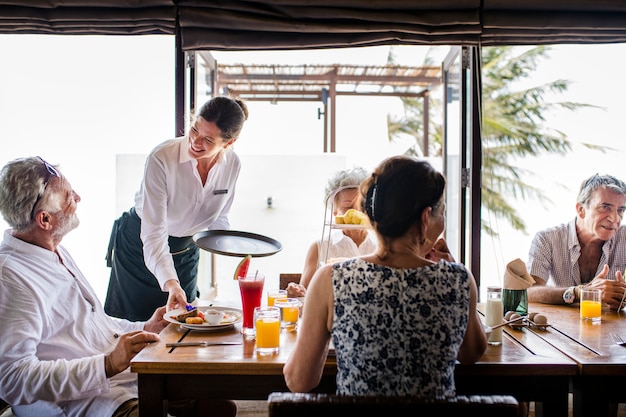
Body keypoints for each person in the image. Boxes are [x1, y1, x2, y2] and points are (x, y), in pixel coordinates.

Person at [0, 156, 237, 417]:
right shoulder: (10, 278)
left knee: (219, 405)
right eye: (68, 196)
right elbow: (12, 379)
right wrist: (107, 364)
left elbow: (93, 325)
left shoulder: (54, 251)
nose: (78, 198)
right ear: (44, 220)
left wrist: (145, 327)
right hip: (82, 401)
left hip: (123, 379)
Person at [283, 155, 487, 397]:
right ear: (425, 218)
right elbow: (472, 354)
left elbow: (299, 381)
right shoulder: (457, 280)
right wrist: (454, 273)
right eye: (441, 211)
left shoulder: (331, 278)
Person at [104, 96, 249, 321]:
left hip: (186, 252)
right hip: (139, 249)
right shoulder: (162, 158)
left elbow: (219, 219)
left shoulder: (233, 165)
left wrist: (238, 247)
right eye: (194, 130)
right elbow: (153, 235)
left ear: (228, 144)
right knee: (135, 328)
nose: (195, 142)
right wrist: (171, 283)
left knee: (185, 322)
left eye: (208, 140)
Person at [527, 173, 626, 310]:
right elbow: (529, 292)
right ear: (581, 210)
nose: (615, 219)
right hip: (558, 327)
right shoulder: (547, 239)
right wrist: (580, 292)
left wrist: (622, 296)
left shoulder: (624, 237)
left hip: (609, 328)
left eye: (621, 210)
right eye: (605, 207)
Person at [287, 167, 378, 298]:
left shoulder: (381, 247)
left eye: (362, 206)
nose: (357, 212)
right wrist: (296, 293)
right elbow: (304, 296)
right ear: (335, 212)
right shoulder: (319, 247)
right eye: (348, 207)